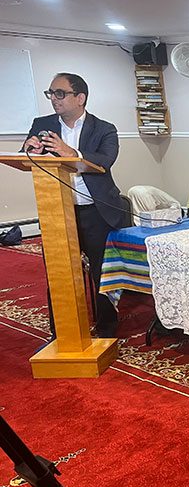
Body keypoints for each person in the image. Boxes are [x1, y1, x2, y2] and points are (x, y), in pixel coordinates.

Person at [23, 72, 125, 337]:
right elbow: (31, 155)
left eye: (60, 93)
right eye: (51, 94)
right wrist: (30, 148)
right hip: (57, 210)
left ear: (80, 98)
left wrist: (73, 154)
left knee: (102, 273)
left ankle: (107, 329)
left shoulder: (104, 129)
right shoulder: (42, 124)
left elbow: (104, 161)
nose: (54, 99)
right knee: (59, 272)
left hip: (96, 211)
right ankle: (62, 332)